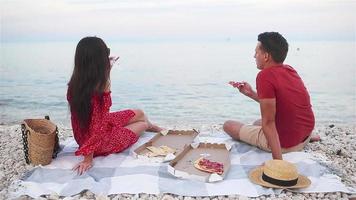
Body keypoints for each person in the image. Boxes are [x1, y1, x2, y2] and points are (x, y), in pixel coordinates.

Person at [67, 36, 162, 174]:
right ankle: (148, 126)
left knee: (139, 113)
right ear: (98, 61)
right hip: (97, 142)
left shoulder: (76, 84)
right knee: (142, 124)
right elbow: (96, 127)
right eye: (106, 54)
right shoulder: (98, 87)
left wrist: (107, 70)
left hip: (93, 129)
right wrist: (88, 158)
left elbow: (97, 119)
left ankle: (153, 127)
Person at [223, 32, 318, 160]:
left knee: (228, 125)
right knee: (257, 122)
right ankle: (306, 138)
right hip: (304, 136)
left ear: (266, 56)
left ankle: (281, 151)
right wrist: (251, 93)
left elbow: (269, 123)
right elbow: (282, 104)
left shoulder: (264, 76)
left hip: (286, 145)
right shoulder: (289, 69)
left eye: (256, 53)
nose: (254, 56)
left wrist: (278, 162)